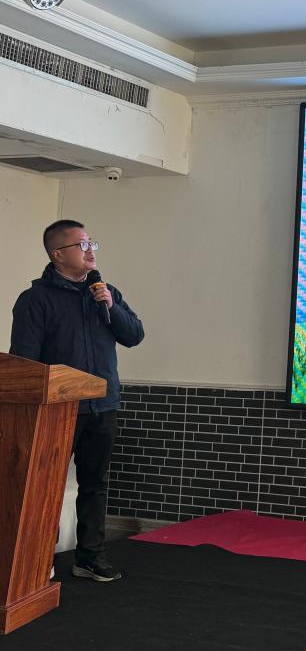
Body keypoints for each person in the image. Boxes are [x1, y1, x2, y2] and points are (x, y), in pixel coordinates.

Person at [9, 219, 144, 582]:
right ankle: (38, 561)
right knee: (44, 487)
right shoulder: (36, 300)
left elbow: (134, 336)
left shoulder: (105, 292)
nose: (90, 251)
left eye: (91, 244)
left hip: (103, 405)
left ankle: (90, 557)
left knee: (94, 484)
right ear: (57, 254)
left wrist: (111, 305)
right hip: (57, 410)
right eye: (81, 245)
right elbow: (24, 361)